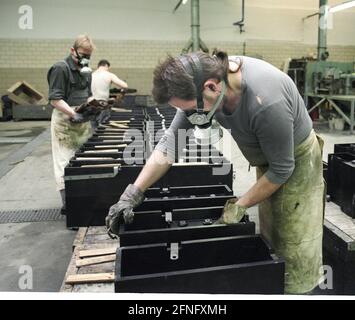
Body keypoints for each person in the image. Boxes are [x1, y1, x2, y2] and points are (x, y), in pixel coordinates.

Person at [105, 50, 325, 295]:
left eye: (189, 111)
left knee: (294, 241)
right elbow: (170, 145)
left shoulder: (266, 101)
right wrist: (133, 193)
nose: (188, 117)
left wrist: (239, 205)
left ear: (211, 87)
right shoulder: (203, 87)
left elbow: (283, 169)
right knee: (272, 232)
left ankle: (299, 290)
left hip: (297, 160)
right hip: (269, 157)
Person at [47, 34, 95, 215]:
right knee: (64, 161)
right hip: (64, 120)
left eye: (88, 55)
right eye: (82, 54)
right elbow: (55, 99)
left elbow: (88, 94)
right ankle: (70, 205)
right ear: (72, 50)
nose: (85, 59)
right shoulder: (61, 68)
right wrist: (73, 113)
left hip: (81, 118)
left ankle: (82, 199)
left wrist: (92, 106)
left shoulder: (86, 71)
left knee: (82, 160)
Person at [91, 59, 128, 127]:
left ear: (98, 66)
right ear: (106, 66)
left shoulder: (91, 75)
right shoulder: (109, 75)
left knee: (93, 126)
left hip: (91, 104)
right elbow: (125, 86)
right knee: (102, 125)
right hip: (102, 104)